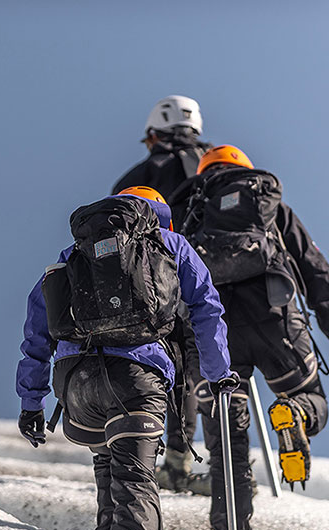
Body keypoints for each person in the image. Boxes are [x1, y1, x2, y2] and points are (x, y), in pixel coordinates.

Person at [17, 188, 233, 530]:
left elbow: (38, 327)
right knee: (135, 478)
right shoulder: (168, 243)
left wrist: (31, 402)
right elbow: (207, 308)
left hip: (77, 383)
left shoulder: (75, 249)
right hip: (136, 377)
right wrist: (218, 373)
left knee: (109, 476)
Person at [169, 144, 329, 530]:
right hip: (275, 319)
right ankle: (293, 413)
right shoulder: (269, 205)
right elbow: (319, 275)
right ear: (243, 170)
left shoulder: (192, 215)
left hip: (215, 339)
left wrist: (179, 357)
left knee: (226, 447)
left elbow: (174, 288)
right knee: (309, 394)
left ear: (205, 174)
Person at [113, 95, 213, 494]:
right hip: (212, 276)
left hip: (154, 283)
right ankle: (208, 461)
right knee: (202, 364)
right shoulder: (216, 169)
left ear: (152, 134)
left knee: (165, 363)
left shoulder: (139, 174)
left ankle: (159, 459)